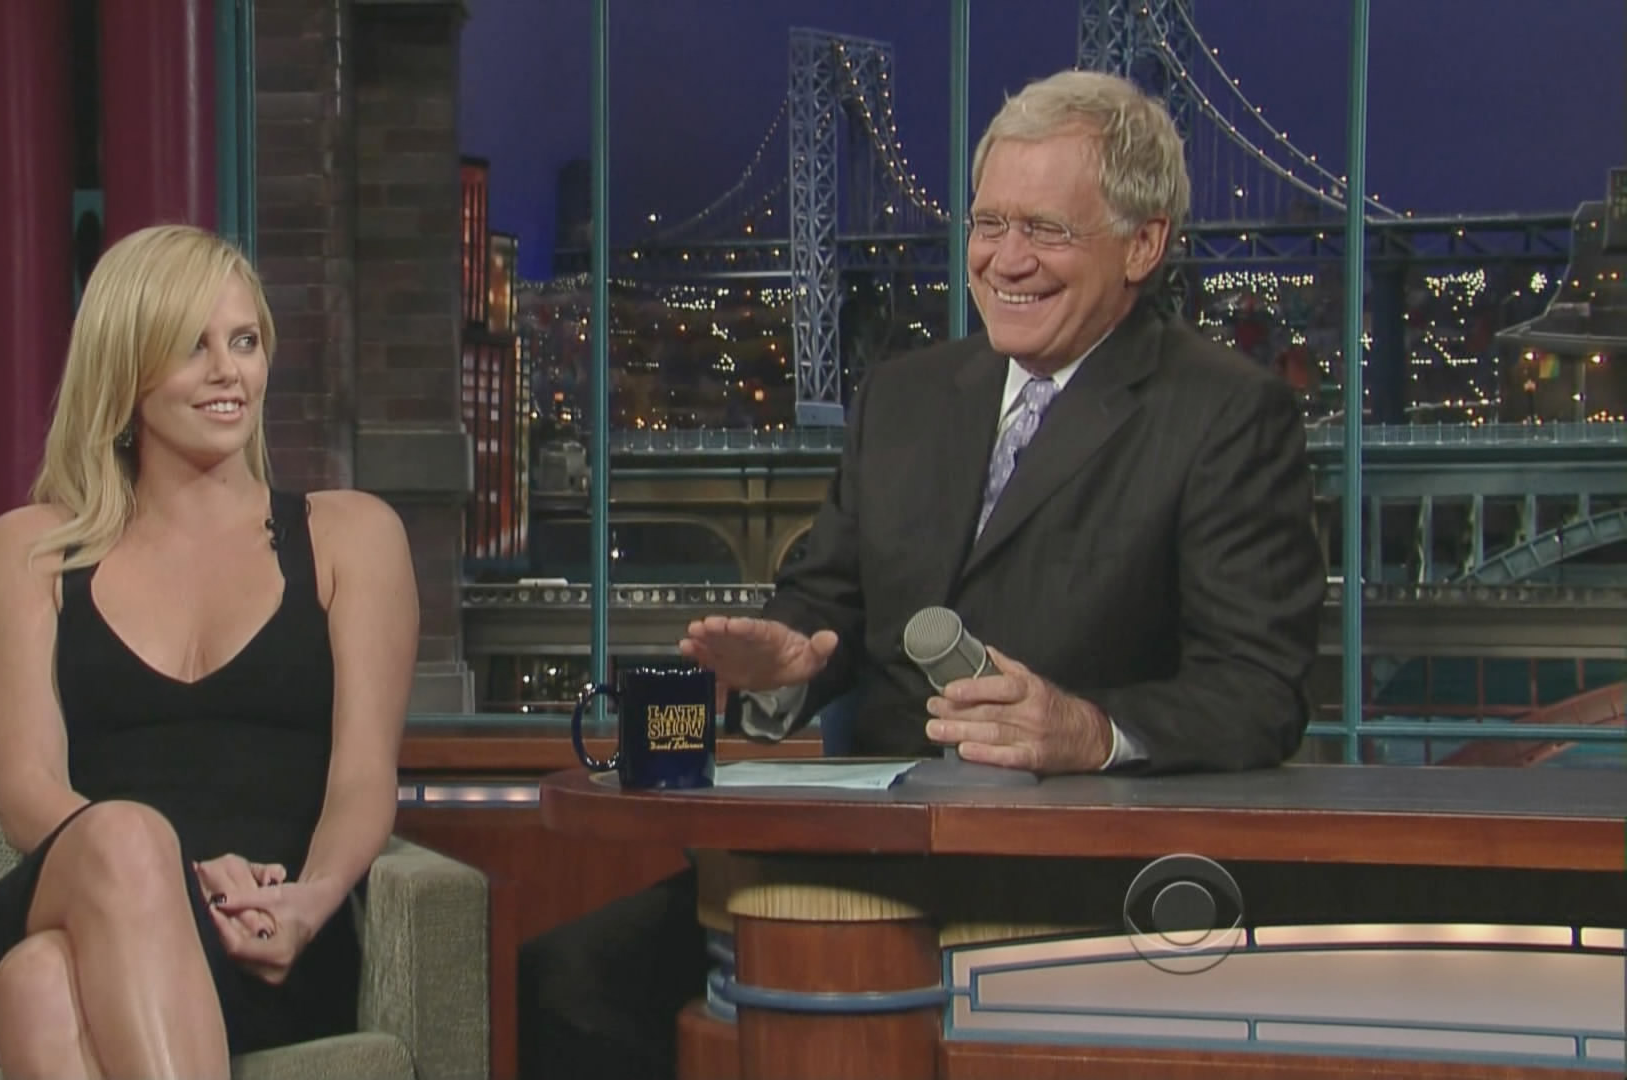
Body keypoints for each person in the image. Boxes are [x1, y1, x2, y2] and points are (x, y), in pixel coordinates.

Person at [518, 69, 1324, 1079]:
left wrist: (1088, 731)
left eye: (1047, 230)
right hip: (861, 860)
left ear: (1143, 245)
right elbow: (832, 598)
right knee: (572, 981)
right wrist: (788, 656)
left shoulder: (1225, 413)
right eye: (989, 224)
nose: (1006, 260)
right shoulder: (904, 396)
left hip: (1071, 886)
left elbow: (1258, 691)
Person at [0, 224, 419, 1079]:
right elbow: (27, 793)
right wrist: (175, 873)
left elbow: (361, 781)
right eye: (193, 346)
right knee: (125, 838)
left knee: (37, 986)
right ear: (125, 371)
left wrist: (307, 905)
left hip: (259, 933)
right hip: (84, 888)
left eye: (245, 342)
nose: (229, 371)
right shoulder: (33, 549)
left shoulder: (352, 538)